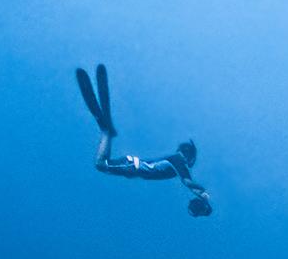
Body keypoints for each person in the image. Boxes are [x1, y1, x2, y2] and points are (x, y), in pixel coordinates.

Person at [75, 63, 213, 217]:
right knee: (101, 165)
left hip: (133, 168)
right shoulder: (179, 161)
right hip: (133, 166)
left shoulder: (177, 162)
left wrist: (201, 195)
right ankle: (107, 132)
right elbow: (188, 182)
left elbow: (188, 182)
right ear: (189, 156)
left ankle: (107, 132)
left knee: (102, 165)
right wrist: (201, 193)